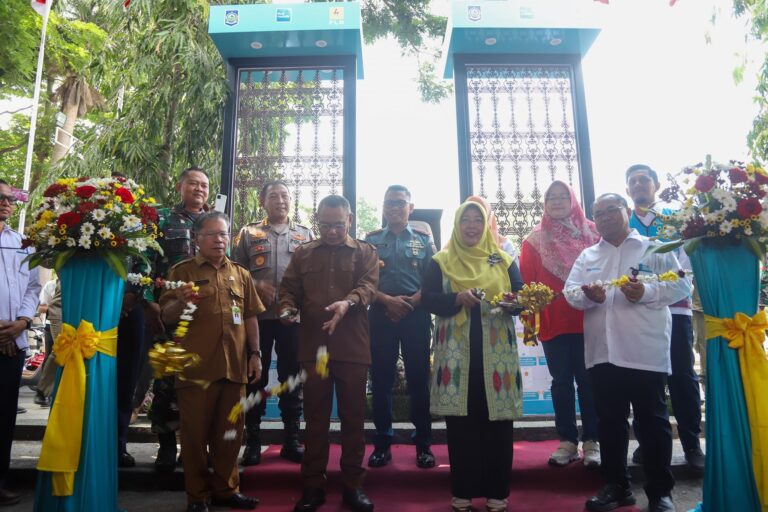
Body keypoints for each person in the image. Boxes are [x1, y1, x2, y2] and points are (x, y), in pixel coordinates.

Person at [566, 193, 690, 512]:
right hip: (603, 353)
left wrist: (646, 291)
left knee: (652, 422)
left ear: (625, 211)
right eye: (598, 213)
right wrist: (588, 296)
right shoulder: (588, 255)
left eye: (611, 210)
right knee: (609, 422)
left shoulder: (654, 247)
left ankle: (660, 492)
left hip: (643, 350)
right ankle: (616, 485)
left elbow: (681, 286)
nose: (605, 217)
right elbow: (570, 293)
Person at [422, 200, 524, 512]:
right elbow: (428, 300)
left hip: (497, 355)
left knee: (498, 423)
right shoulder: (440, 260)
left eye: (476, 221)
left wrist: (513, 303)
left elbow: (520, 295)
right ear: (457, 224)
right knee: (461, 424)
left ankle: (497, 492)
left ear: (485, 225)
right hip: (456, 355)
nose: (470, 226)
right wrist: (456, 297)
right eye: (465, 220)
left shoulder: (503, 259)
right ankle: (463, 492)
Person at [279, 195, 379, 512]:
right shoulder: (304, 253)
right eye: (326, 225)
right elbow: (288, 290)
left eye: (338, 224)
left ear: (349, 221)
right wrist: (286, 308)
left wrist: (347, 303)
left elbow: (369, 288)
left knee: (353, 419)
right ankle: (312, 487)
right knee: (316, 420)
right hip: (314, 347)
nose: (333, 231)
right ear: (317, 221)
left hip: (352, 348)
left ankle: (353, 486)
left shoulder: (365, 252)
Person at [160, 211, 264, 512]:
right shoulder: (182, 272)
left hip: (234, 367)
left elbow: (250, 317)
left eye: (223, 234)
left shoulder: (241, 274)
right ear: (197, 239)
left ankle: (226, 490)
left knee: (231, 434)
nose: (219, 240)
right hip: (196, 369)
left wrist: (254, 355)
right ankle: (197, 496)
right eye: (212, 234)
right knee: (194, 437)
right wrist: (181, 301)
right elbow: (165, 317)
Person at [625, 164, 704, 472]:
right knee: (644, 379)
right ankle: (648, 443)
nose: (639, 185)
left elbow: (683, 264)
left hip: (675, 308)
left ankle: (691, 443)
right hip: (638, 313)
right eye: (633, 182)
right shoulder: (624, 223)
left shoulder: (675, 220)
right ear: (627, 189)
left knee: (682, 377)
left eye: (644, 180)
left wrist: (654, 286)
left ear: (656, 185)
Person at [519, 181, 601, 468]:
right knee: (562, 383)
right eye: (550, 198)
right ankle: (567, 440)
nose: (556, 202)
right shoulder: (534, 240)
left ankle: (593, 441)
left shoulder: (594, 233)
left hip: (590, 319)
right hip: (554, 322)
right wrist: (531, 322)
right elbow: (527, 283)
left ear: (573, 199)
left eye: (562, 196)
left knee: (590, 383)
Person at [232, 180, 313, 466]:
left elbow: (312, 276)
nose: (281, 200)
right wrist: (255, 283)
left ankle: (292, 441)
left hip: (292, 320)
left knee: (292, 378)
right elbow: (233, 273)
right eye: (274, 196)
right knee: (255, 379)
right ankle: (252, 442)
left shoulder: (305, 234)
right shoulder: (248, 233)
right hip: (258, 318)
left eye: (285, 196)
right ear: (262, 201)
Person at [364, 185, 436, 469]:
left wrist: (410, 303)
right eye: (389, 203)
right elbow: (364, 281)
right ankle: (382, 443)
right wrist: (387, 301)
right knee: (381, 381)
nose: (394, 207)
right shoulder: (371, 241)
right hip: (381, 316)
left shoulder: (423, 240)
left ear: (411, 208)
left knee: (419, 382)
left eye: (400, 202)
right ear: (383, 207)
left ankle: (424, 445)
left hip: (415, 316)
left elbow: (433, 280)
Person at [151, 167, 210, 473]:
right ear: (180, 186)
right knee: (166, 382)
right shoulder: (161, 218)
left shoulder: (216, 221)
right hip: (170, 311)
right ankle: (165, 448)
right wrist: (149, 303)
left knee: (201, 382)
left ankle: (194, 448)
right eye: (193, 184)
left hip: (206, 316)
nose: (199, 189)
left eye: (204, 185)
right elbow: (145, 260)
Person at [0, 179, 41, 506]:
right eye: (0, 198)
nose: (6, 204)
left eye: (9, 199)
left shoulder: (21, 242)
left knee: (4, 417)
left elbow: (32, 288)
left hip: (14, 340)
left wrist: (22, 323)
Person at [34, 276, 60, 407]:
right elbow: (42, 308)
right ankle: (44, 392)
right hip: (52, 325)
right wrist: (56, 308)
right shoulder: (50, 285)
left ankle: (47, 391)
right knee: (52, 355)